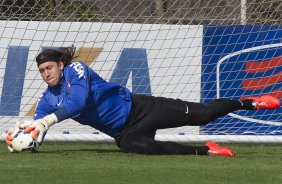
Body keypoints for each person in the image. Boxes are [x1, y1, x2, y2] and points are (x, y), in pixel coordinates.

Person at [6, 46, 281, 156]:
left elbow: (77, 104)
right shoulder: (47, 100)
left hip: (141, 108)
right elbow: (36, 128)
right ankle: (205, 149)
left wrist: (45, 122)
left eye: (49, 68)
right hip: (123, 132)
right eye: (42, 71)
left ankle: (250, 102)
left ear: (61, 65)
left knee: (204, 115)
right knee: (142, 148)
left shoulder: (77, 70)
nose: (45, 74)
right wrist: (25, 138)